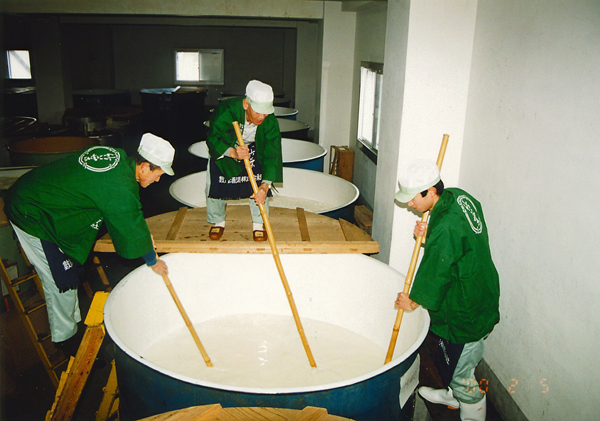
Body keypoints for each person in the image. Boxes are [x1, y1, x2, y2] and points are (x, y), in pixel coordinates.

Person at [3, 133, 174, 354]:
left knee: (69, 271)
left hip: (44, 198)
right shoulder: (120, 184)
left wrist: (140, 234)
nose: (157, 181)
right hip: (32, 211)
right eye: (158, 175)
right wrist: (152, 260)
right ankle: (66, 340)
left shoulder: (119, 160)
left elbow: (126, 213)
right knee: (60, 278)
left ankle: (74, 326)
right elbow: (128, 219)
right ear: (144, 167)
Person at [393, 159, 500, 421]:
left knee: (461, 368)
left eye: (413, 198)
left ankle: (469, 402)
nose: (410, 204)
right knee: (454, 359)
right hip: (478, 284)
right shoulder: (457, 196)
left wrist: (413, 301)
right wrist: (431, 233)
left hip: (467, 306)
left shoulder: (446, 226)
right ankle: (454, 395)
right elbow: (458, 240)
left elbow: (436, 270)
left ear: (430, 191)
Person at [205, 80, 283, 241]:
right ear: (246, 104)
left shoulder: (269, 120)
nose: (262, 117)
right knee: (215, 181)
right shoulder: (226, 110)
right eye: (258, 112)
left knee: (258, 183)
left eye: (266, 113)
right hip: (227, 147)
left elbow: (272, 152)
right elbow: (213, 138)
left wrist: (265, 185)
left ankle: (258, 223)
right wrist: (233, 152)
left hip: (255, 147)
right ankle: (218, 220)